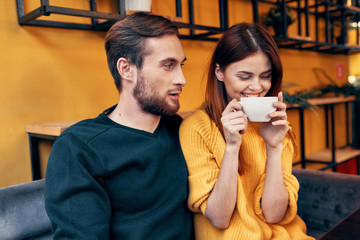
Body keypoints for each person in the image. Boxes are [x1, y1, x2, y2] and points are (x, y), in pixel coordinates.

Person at [45, 12, 193, 239]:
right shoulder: (78, 148)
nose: (181, 79)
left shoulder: (177, 129)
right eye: (168, 65)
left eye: (180, 65)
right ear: (126, 69)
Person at [179, 22, 315, 239]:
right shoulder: (197, 128)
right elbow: (219, 218)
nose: (257, 87)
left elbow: (273, 215)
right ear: (219, 72)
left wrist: (274, 147)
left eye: (265, 75)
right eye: (244, 77)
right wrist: (232, 147)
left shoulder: (276, 127)